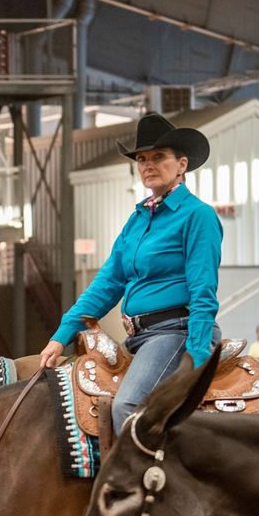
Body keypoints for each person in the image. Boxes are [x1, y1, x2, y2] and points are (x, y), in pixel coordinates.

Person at [36, 112, 222, 430]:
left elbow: (203, 289)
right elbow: (107, 283)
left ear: (182, 164)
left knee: (128, 406)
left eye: (159, 157)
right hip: (138, 336)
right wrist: (61, 335)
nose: (148, 164)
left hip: (173, 332)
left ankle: (141, 480)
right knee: (77, 396)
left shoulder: (197, 215)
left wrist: (198, 355)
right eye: (141, 158)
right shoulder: (137, 220)